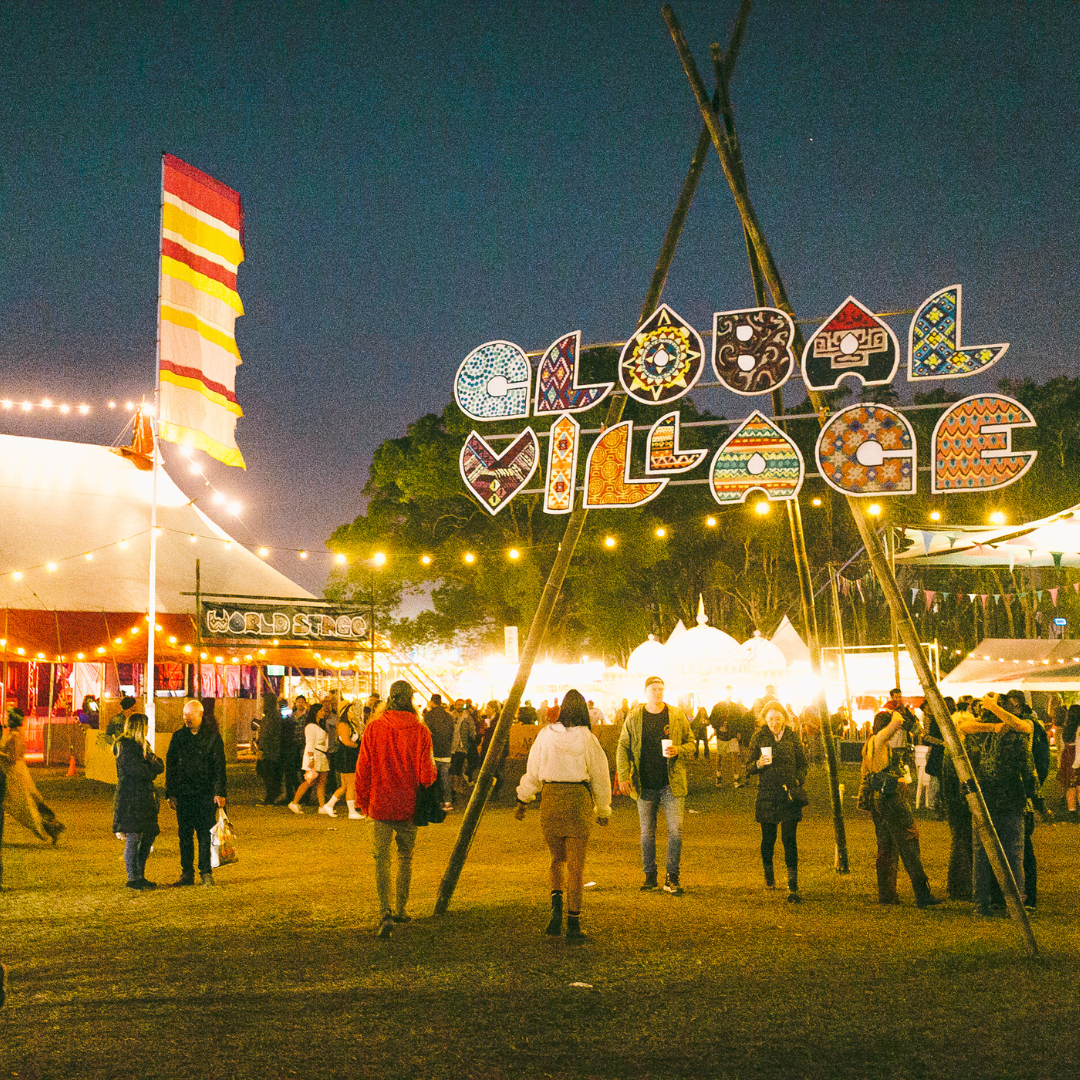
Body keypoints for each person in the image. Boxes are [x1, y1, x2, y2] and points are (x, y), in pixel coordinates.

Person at [516, 689, 611, 942]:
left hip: (551, 799)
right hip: (577, 799)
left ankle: (555, 911)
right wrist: (603, 808)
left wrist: (523, 799)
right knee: (577, 866)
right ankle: (574, 923)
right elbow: (600, 774)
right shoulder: (587, 737)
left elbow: (533, 771)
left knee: (556, 859)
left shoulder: (545, 736)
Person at [354, 680, 436, 938]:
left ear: (389, 698)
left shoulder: (374, 727)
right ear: (411, 698)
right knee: (405, 858)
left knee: (381, 859)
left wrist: (362, 800)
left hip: (379, 802)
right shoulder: (421, 730)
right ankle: (401, 909)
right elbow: (427, 774)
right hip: (407, 804)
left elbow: (363, 766)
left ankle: (385, 910)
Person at [615, 675, 694, 895]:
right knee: (646, 832)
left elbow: (691, 742)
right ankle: (649, 875)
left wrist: (679, 750)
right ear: (645, 692)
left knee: (676, 831)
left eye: (661, 689)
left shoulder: (676, 715)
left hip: (672, 782)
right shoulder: (634, 717)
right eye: (653, 689)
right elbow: (623, 746)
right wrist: (624, 775)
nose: (658, 693)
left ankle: (672, 877)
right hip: (644, 783)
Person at [958, 693, 1034, 917]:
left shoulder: (984, 732)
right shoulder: (1009, 733)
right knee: (1013, 854)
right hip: (1009, 799)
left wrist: (992, 711)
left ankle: (981, 905)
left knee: (982, 853)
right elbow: (1028, 770)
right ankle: (1015, 905)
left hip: (984, 798)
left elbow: (964, 726)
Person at [858, 708, 941, 908]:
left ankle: (887, 894)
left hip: (878, 801)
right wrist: (897, 710)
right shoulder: (879, 741)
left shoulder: (870, 744)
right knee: (909, 841)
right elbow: (896, 722)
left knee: (886, 846)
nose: (896, 733)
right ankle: (922, 892)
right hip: (890, 800)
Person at [745, 702, 807, 902]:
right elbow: (748, 767)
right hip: (767, 794)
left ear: (784, 718)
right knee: (768, 839)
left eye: (778, 718)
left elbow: (803, 763)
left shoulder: (791, 736)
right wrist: (758, 764)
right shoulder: (759, 737)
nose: (774, 722)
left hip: (789, 795)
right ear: (765, 719)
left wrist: (798, 780)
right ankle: (769, 877)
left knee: (789, 840)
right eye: (770, 719)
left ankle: (792, 883)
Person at [165, 699, 227, 887]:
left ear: (201, 715)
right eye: (185, 717)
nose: (187, 720)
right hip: (184, 794)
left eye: (191, 716)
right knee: (184, 834)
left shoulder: (213, 738)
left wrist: (219, 791)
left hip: (205, 794)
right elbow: (172, 766)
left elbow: (219, 767)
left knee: (204, 834)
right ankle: (187, 872)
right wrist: (171, 793)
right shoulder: (178, 737)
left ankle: (205, 871)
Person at [112, 712, 164, 890]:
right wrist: (150, 769)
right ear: (139, 727)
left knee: (148, 836)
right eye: (146, 726)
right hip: (130, 798)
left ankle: (140, 874)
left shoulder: (144, 746)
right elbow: (140, 771)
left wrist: (149, 763)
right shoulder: (125, 746)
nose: (149, 729)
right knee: (133, 837)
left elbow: (159, 766)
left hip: (145, 798)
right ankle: (132, 877)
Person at [0, 708, 65, 844]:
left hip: (13, 773)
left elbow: (11, 758)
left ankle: (51, 827)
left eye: (10, 718)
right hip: (14, 771)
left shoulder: (14, 736)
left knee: (25, 807)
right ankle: (52, 826)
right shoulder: (12, 734)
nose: (7, 720)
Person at [288, 702, 331, 814]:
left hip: (321, 755)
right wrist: (311, 759)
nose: (323, 713)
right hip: (314, 755)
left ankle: (322, 806)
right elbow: (310, 743)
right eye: (321, 711)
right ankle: (294, 802)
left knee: (322, 782)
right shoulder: (311, 726)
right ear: (315, 712)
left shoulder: (319, 725)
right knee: (309, 781)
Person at [325, 699, 364, 819]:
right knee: (351, 784)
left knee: (345, 786)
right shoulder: (343, 724)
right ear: (345, 712)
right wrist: (358, 746)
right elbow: (346, 741)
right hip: (347, 756)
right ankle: (351, 812)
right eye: (351, 710)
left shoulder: (352, 723)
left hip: (349, 755)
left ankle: (330, 805)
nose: (353, 712)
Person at [424, 693, 456, 812]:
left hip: (434, 751)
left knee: (433, 778)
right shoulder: (448, 716)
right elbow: (452, 732)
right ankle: (447, 801)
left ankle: (434, 803)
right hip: (446, 752)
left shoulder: (429, 716)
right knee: (445, 777)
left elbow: (426, 733)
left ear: (433, 702)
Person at [254, 693, 283, 806]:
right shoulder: (275, 714)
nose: (262, 703)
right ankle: (273, 794)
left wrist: (261, 749)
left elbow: (266, 734)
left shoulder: (271, 716)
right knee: (270, 773)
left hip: (269, 750)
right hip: (274, 749)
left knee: (267, 773)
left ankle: (271, 796)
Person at [1057, 703, 1080, 823]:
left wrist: (1059, 762)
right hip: (1076, 756)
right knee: (1078, 785)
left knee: (1070, 786)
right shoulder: (1079, 727)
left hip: (1067, 755)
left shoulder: (1066, 728)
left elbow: (1061, 746)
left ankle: (1072, 811)